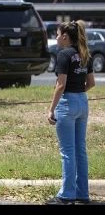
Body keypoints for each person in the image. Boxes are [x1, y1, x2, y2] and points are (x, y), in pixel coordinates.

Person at [46, 20, 95, 205]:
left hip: (67, 103)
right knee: (80, 150)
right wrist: (78, 93)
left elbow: (60, 85)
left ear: (65, 36)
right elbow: (91, 83)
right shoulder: (85, 54)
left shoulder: (64, 54)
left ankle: (66, 195)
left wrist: (51, 109)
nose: (56, 37)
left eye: (57, 34)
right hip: (82, 101)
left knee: (67, 152)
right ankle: (83, 194)